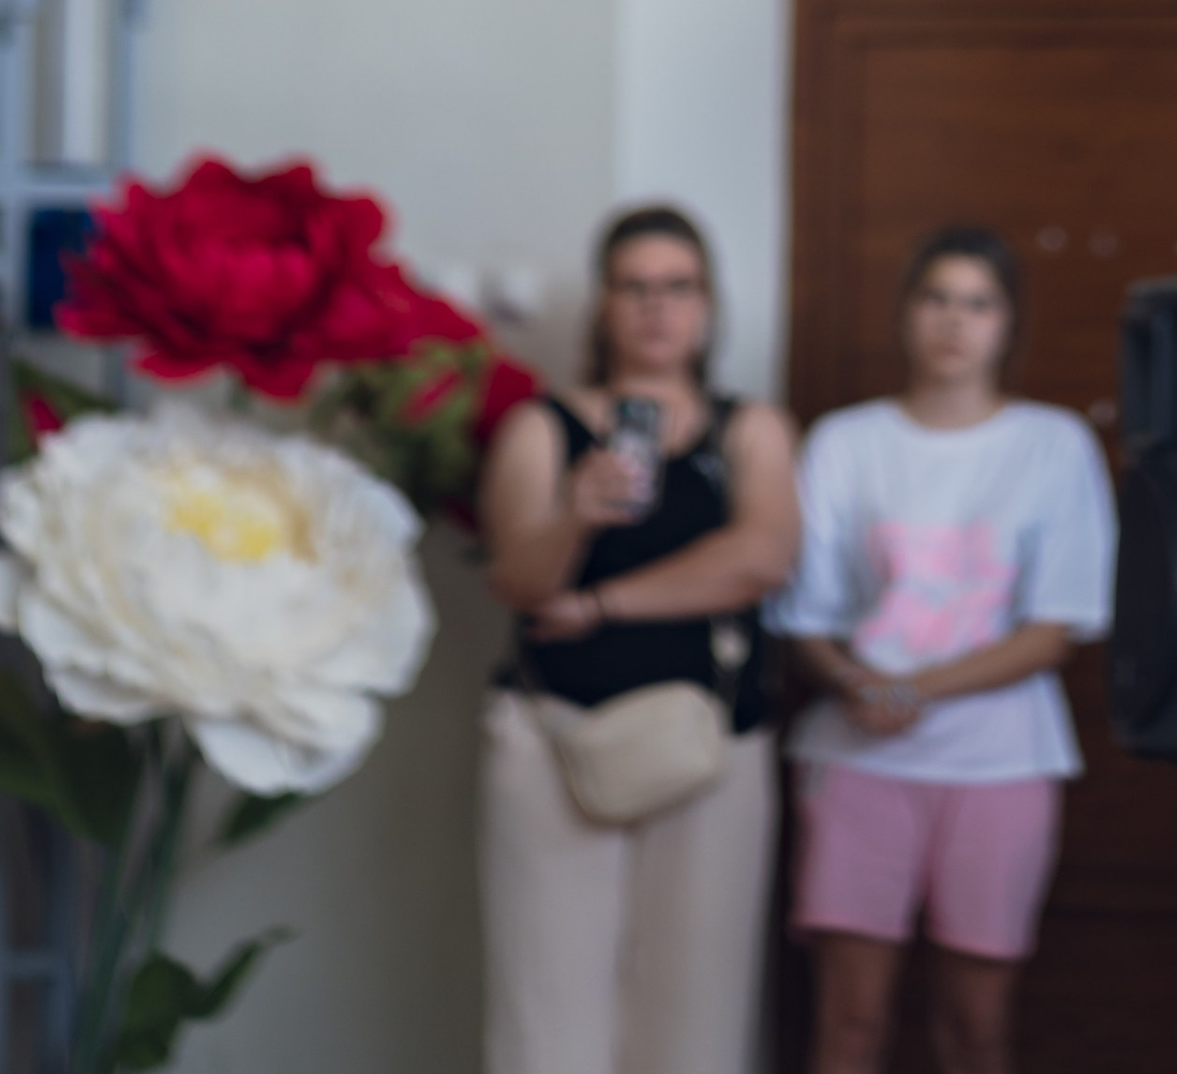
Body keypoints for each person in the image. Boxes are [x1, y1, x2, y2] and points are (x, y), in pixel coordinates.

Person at [776, 225, 1117, 1074]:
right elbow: (804, 616)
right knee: (849, 1023)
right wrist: (860, 684)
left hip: (1000, 763)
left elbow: (1055, 625)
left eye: (978, 303)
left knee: (977, 1025)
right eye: (937, 298)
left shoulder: (1053, 445)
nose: (955, 322)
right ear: (904, 315)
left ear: (1007, 325)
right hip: (858, 760)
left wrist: (916, 690)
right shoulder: (845, 443)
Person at [477, 203, 801, 1074]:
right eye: (636, 288)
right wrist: (575, 516)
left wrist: (605, 602)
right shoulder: (542, 428)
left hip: (711, 747)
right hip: (553, 740)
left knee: (698, 1019)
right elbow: (518, 579)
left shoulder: (751, 430)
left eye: (679, 288)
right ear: (603, 305)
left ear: (708, 305)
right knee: (546, 1015)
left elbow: (761, 557)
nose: (658, 308)